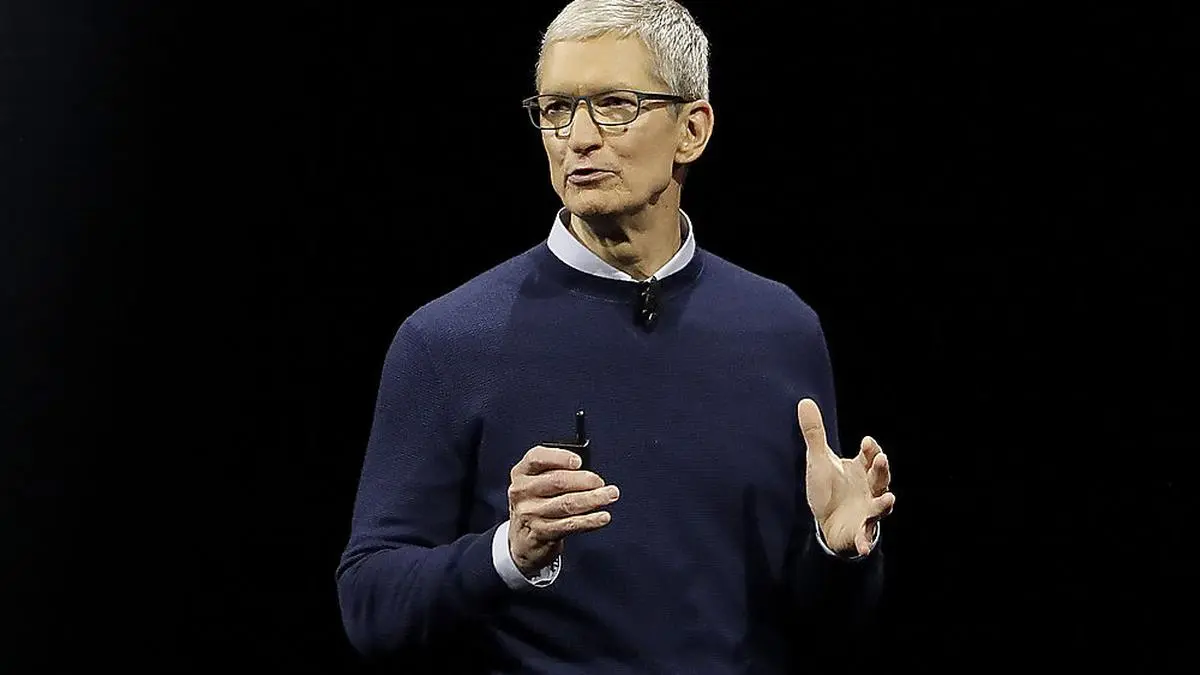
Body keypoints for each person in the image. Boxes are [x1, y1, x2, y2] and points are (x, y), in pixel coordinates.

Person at [335, 0, 895, 672]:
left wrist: (836, 550)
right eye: (555, 109)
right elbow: (370, 603)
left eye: (614, 105)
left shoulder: (782, 329)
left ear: (692, 130)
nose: (578, 136)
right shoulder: (450, 339)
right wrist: (508, 553)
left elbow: (823, 623)